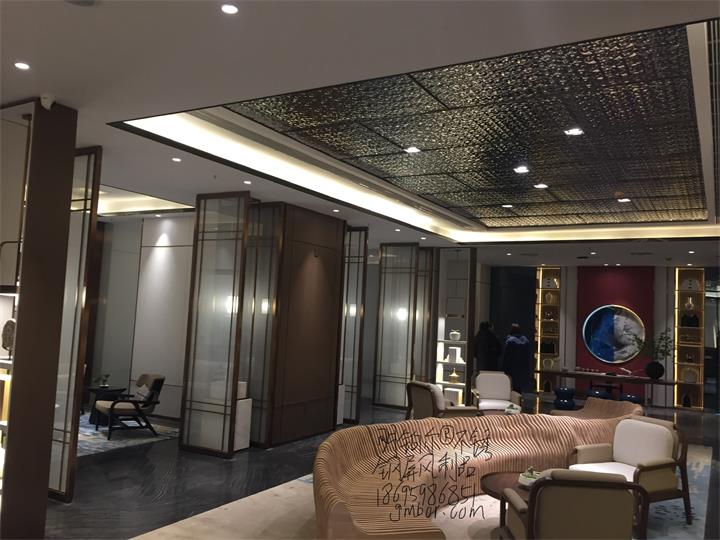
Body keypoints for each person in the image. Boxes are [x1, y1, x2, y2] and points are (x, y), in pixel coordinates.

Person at [502, 323, 533, 393]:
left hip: (511, 367)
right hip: (523, 368)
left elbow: (506, 356)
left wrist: (504, 368)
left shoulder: (510, 341)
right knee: (519, 388)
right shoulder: (526, 341)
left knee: (511, 386)